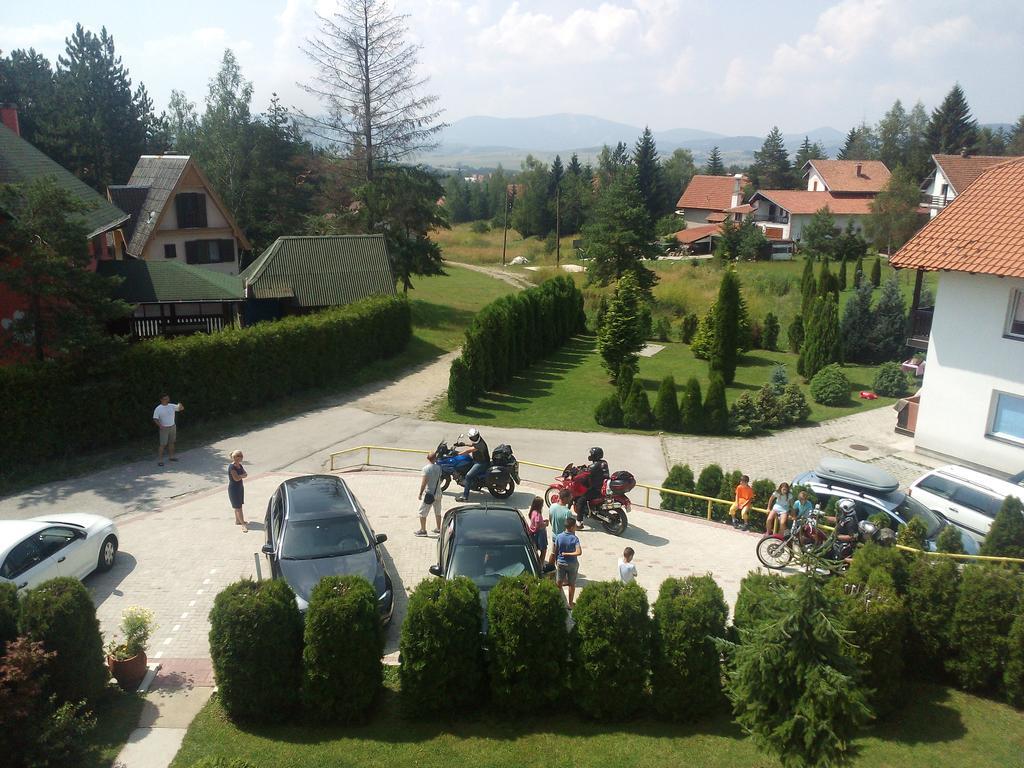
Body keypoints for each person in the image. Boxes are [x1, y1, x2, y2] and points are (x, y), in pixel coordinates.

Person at [574, 447, 609, 526]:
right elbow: (590, 469)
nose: (590, 455)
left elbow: (585, 472)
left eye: (591, 454)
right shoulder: (604, 462)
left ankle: (579, 523)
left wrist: (576, 472)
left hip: (596, 489)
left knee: (580, 501)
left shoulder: (594, 466)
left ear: (595, 455)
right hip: (603, 486)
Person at [554, 517, 583, 609]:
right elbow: (579, 552)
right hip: (572, 564)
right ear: (571, 527)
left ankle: (557, 602)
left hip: (561, 563)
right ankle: (570, 604)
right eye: (575, 526)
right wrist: (569, 553)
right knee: (571, 584)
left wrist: (556, 560)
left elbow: (556, 551)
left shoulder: (558, 537)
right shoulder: (575, 539)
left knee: (559, 583)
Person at [456, 428, 489, 502]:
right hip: (476, 461)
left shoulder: (481, 444)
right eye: (473, 437)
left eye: (475, 437)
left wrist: (457, 454)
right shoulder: (479, 440)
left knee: (468, 476)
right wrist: (463, 444)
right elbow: (473, 445)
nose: (474, 438)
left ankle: (465, 497)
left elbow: (469, 450)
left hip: (481, 463)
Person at [415, 451, 443, 537]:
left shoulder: (426, 469)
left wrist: (420, 493)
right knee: (438, 512)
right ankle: (438, 529)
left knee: (422, 512)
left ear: (428, 458)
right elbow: (440, 479)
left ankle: (423, 530)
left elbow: (424, 483)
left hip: (429, 494)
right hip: (438, 493)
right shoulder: (439, 468)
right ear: (435, 458)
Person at [153, 393, 184, 466]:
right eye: (165, 399)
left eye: (168, 398)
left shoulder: (171, 406)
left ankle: (171, 457)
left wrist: (180, 404)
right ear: (161, 400)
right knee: (163, 444)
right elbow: (155, 418)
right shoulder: (158, 408)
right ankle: (160, 460)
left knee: (172, 442)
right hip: (164, 428)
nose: (167, 400)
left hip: (172, 426)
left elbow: (181, 408)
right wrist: (160, 426)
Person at [547, 488, 572, 564]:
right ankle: (560, 571)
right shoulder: (567, 512)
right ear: (565, 498)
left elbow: (550, 520)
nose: (570, 499)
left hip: (555, 535)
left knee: (553, 553)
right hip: (564, 538)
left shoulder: (552, 506)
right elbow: (569, 528)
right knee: (562, 556)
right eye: (569, 498)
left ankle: (550, 568)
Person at [228, 450, 247, 533]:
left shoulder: (239, 465)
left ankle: (238, 520)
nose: (241, 457)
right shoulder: (231, 467)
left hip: (239, 487)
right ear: (235, 457)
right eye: (239, 456)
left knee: (238, 506)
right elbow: (236, 479)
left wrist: (241, 476)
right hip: (234, 489)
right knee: (238, 507)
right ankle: (243, 525)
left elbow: (245, 474)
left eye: (241, 456)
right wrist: (242, 476)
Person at [527, 496, 548, 562]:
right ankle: (541, 565)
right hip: (540, 534)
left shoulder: (533, 512)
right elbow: (537, 525)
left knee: (535, 550)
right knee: (543, 550)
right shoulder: (538, 515)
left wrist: (543, 521)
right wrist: (545, 524)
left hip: (533, 533)